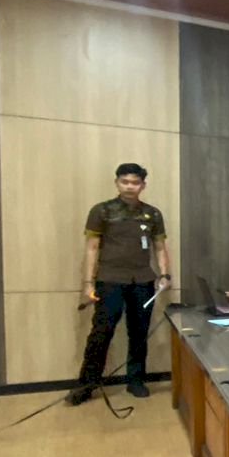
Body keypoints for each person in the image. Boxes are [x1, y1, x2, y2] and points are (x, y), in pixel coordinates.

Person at [69, 162, 171, 405]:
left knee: (139, 333)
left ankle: (135, 380)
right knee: (101, 332)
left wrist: (165, 275)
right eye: (124, 181)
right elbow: (92, 248)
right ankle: (87, 384)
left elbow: (159, 247)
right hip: (109, 280)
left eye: (135, 182)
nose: (129, 186)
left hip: (143, 281)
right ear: (117, 183)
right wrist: (87, 283)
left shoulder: (152, 214)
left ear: (143, 185)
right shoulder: (102, 211)